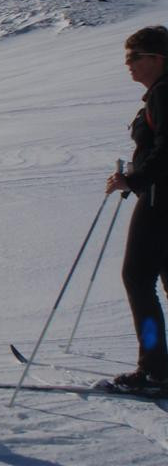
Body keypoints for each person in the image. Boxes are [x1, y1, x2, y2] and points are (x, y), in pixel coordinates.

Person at [105, 25, 168, 389]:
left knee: (138, 279)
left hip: (160, 200)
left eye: (134, 57)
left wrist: (135, 180)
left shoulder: (163, 93)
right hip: (158, 194)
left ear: (157, 58)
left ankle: (155, 370)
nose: (127, 64)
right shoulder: (159, 93)